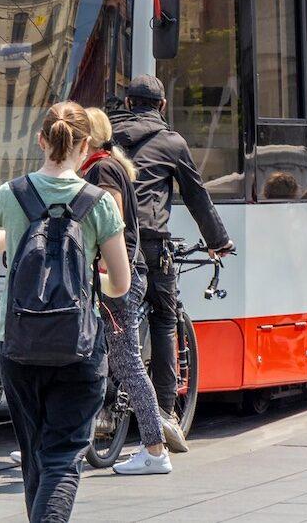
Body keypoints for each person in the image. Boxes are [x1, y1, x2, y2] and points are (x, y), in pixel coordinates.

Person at [0, 103, 131, 523]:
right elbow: (120, 281)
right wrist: (96, 287)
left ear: (41, 140)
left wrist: (12, 237)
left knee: (35, 454)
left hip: (18, 342)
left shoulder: (11, 194)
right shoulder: (99, 202)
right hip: (79, 345)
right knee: (63, 457)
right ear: (85, 146)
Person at [110, 76, 232, 421]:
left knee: (106, 315)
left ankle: (101, 406)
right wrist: (218, 242)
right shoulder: (171, 142)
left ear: (128, 103)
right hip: (149, 241)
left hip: (108, 239)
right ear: (162, 106)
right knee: (164, 318)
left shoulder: (107, 140)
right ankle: (165, 412)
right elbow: (197, 196)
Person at [81, 106, 183, 475]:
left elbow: (111, 221)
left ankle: (155, 451)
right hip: (115, 274)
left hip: (116, 276)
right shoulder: (106, 163)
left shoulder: (102, 167)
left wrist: (106, 268)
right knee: (99, 358)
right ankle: (62, 443)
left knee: (126, 362)